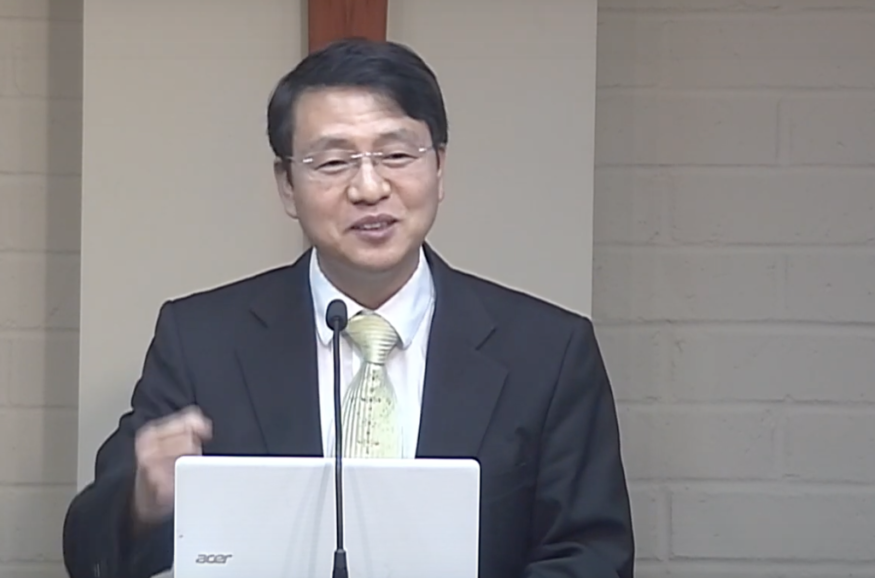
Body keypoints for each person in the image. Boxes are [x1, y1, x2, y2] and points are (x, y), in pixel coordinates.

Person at [62, 37, 634, 578]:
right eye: (333, 163)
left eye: (396, 154)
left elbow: (592, 556)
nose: (368, 188)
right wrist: (141, 504)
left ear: (439, 168)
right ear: (287, 185)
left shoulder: (550, 353)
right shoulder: (201, 342)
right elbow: (89, 551)